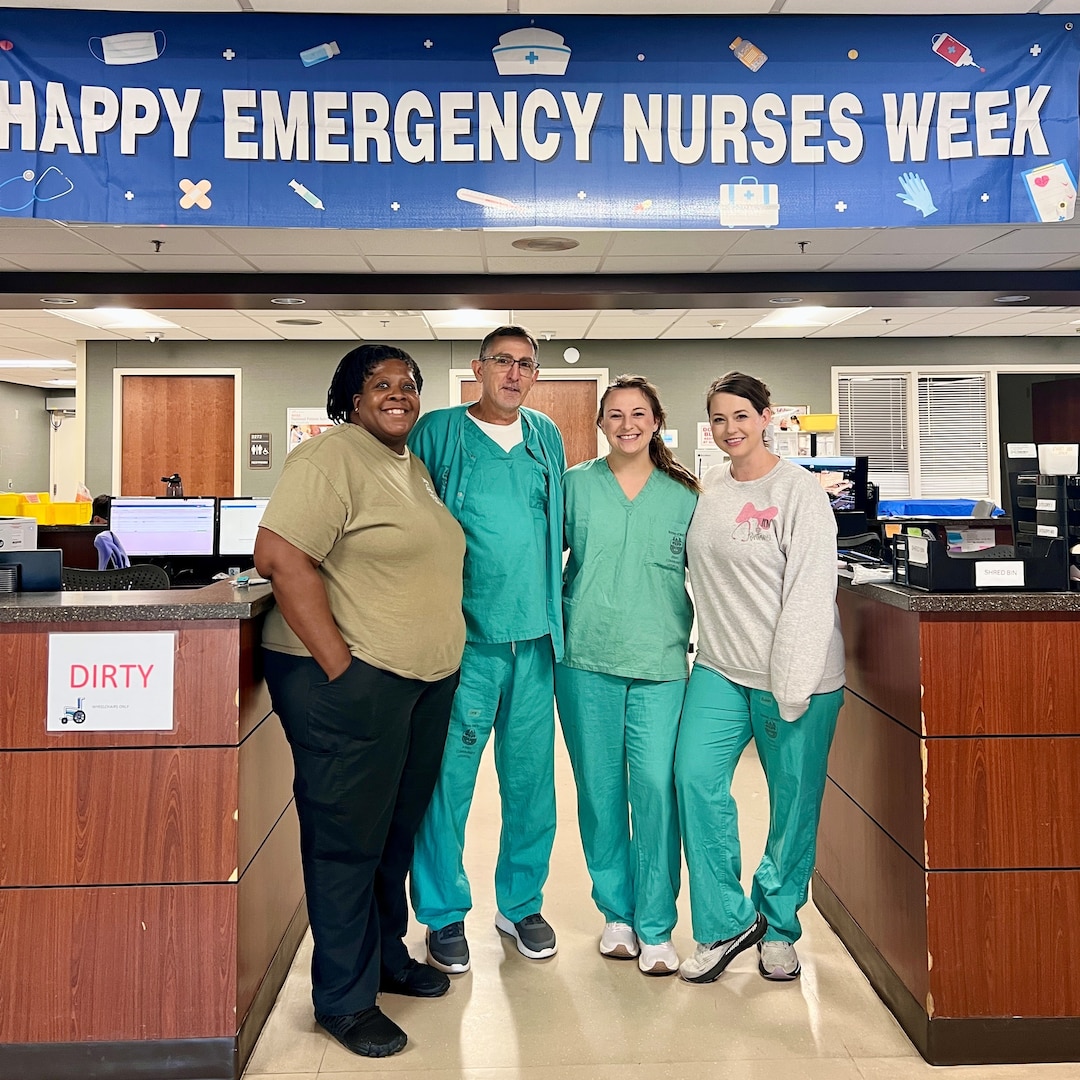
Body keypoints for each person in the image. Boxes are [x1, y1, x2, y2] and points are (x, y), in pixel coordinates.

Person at [253, 344, 466, 1058]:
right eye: (381, 384)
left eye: (409, 384)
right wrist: (344, 669)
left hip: (416, 683)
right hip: (351, 683)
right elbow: (280, 557)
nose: (399, 394)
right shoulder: (329, 458)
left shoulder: (407, 465)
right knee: (347, 841)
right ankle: (343, 998)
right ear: (349, 395)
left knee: (392, 834)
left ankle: (384, 956)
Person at [675, 371, 845, 985]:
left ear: (767, 416)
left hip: (795, 677)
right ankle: (724, 924)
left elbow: (809, 592)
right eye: (718, 419)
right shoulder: (711, 487)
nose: (730, 429)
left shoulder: (799, 491)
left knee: (792, 805)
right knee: (694, 779)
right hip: (720, 667)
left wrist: (792, 685)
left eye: (741, 416)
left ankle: (778, 927)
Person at [407, 325, 566, 973]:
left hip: (535, 639)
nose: (514, 373)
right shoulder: (440, 432)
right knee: (449, 784)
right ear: (478, 367)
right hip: (462, 640)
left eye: (526, 365)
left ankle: (521, 902)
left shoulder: (545, 437)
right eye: (502, 361)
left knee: (532, 785)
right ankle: (444, 913)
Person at [554, 375, 699, 976]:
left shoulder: (686, 494)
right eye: (614, 414)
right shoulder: (574, 487)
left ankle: (658, 924)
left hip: (661, 663)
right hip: (584, 659)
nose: (627, 423)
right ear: (600, 425)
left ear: (657, 420)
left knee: (656, 793)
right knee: (600, 792)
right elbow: (539, 560)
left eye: (639, 413)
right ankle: (616, 914)